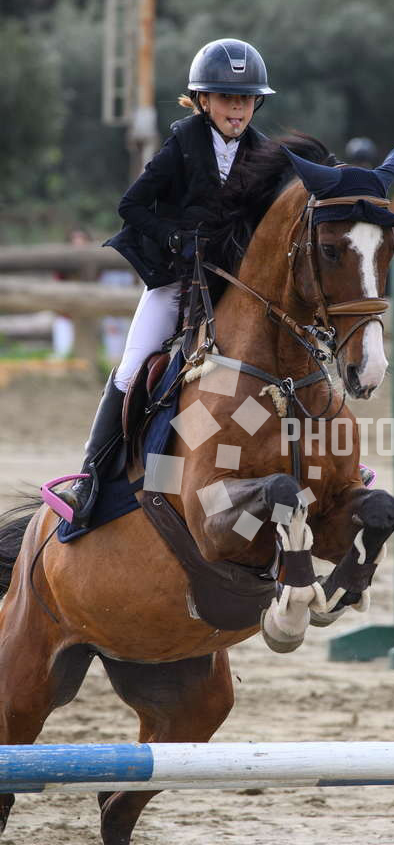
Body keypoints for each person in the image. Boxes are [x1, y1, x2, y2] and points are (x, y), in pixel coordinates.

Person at [60, 38, 276, 525]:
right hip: (178, 283)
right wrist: (174, 237)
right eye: (227, 98)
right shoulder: (183, 142)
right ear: (203, 100)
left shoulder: (264, 154)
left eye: (245, 99)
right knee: (132, 367)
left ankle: (324, 464)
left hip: (235, 288)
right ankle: (89, 478)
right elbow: (131, 206)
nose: (237, 109)